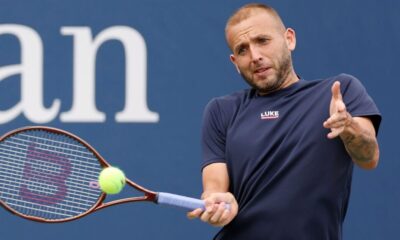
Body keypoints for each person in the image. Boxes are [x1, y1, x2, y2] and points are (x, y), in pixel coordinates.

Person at [187, 3, 381, 240]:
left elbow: (369, 157)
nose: (255, 56)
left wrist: (348, 126)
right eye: (242, 50)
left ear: (289, 39)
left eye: (263, 41)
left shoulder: (339, 91)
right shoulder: (221, 110)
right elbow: (214, 186)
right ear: (235, 62)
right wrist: (218, 202)